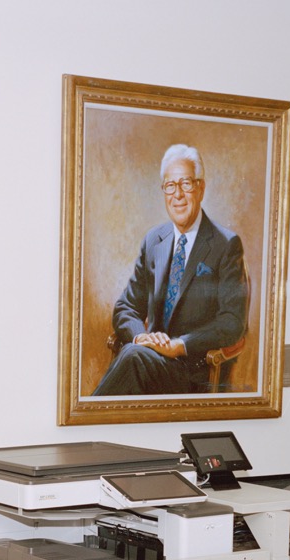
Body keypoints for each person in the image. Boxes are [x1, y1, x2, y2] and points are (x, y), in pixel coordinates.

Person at [92, 144, 249, 395]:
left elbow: (232, 323)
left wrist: (179, 345)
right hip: (149, 360)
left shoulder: (226, 245)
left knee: (133, 357)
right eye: (170, 185)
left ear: (200, 188)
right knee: (134, 354)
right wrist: (141, 337)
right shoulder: (154, 241)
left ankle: (90, 410)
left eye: (185, 184)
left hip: (194, 371)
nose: (178, 195)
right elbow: (125, 307)